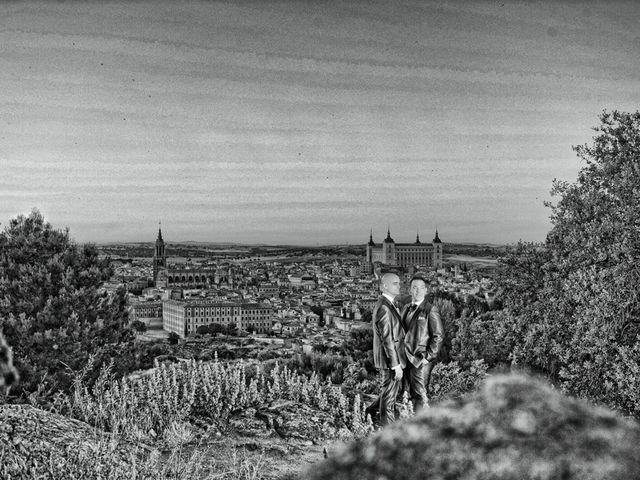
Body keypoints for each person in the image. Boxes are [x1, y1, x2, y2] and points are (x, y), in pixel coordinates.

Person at [400, 274, 444, 411]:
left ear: (426, 290)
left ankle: (422, 425)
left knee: (420, 394)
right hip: (406, 359)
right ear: (410, 290)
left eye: (420, 288)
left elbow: (438, 335)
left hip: (420, 359)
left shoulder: (431, 310)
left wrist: (428, 357)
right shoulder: (406, 308)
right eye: (414, 288)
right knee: (407, 394)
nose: (417, 291)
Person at [371, 272, 407, 425]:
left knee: (389, 392)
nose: (399, 286)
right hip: (389, 360)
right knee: (389, 396)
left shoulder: (388, 304)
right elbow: (388, 340)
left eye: (399, 283)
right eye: (395, 283)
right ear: (384, 286)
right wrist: (395, 365)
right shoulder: (384, 308)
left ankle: (369, 413)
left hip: (392, 358)